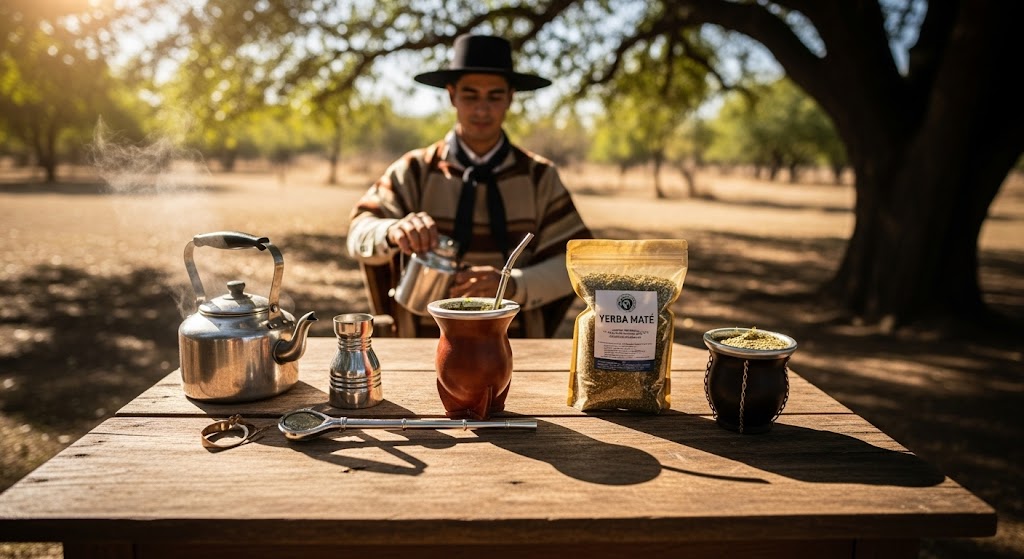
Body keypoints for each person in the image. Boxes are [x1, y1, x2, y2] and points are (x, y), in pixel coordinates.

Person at [346, 34, 592, 338]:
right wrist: (393, 230)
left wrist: (514, 283)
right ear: (452, 96)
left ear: (511, 98)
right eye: (470, 95)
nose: (482, 110)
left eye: (494, 96)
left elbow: (578, 265)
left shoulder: (539, 176)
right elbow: (358, 234)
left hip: (516, 346)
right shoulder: (415, 169)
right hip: (422, 345)